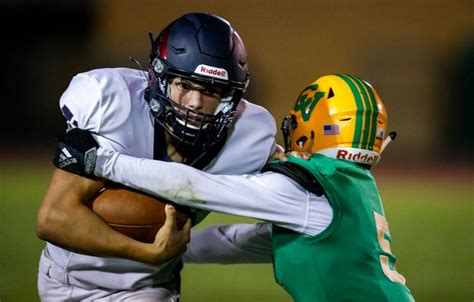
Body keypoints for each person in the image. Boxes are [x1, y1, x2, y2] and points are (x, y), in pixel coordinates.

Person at [56, 74, 415, 301]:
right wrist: (168, 248)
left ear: (313, 125)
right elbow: (239, 241)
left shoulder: (306, 190)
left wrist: (101, 162)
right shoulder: (354, 188)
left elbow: (194, 186)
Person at [36, 12, 277, 301]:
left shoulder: (248, 136)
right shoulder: (113, 104)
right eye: (184, 86)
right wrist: (148, 253)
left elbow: (290, 186)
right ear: (159, 79)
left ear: (230, 97)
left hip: (149, 287)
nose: (195, 103)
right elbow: (53, 218)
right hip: (68, 280)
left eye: (210, 91)